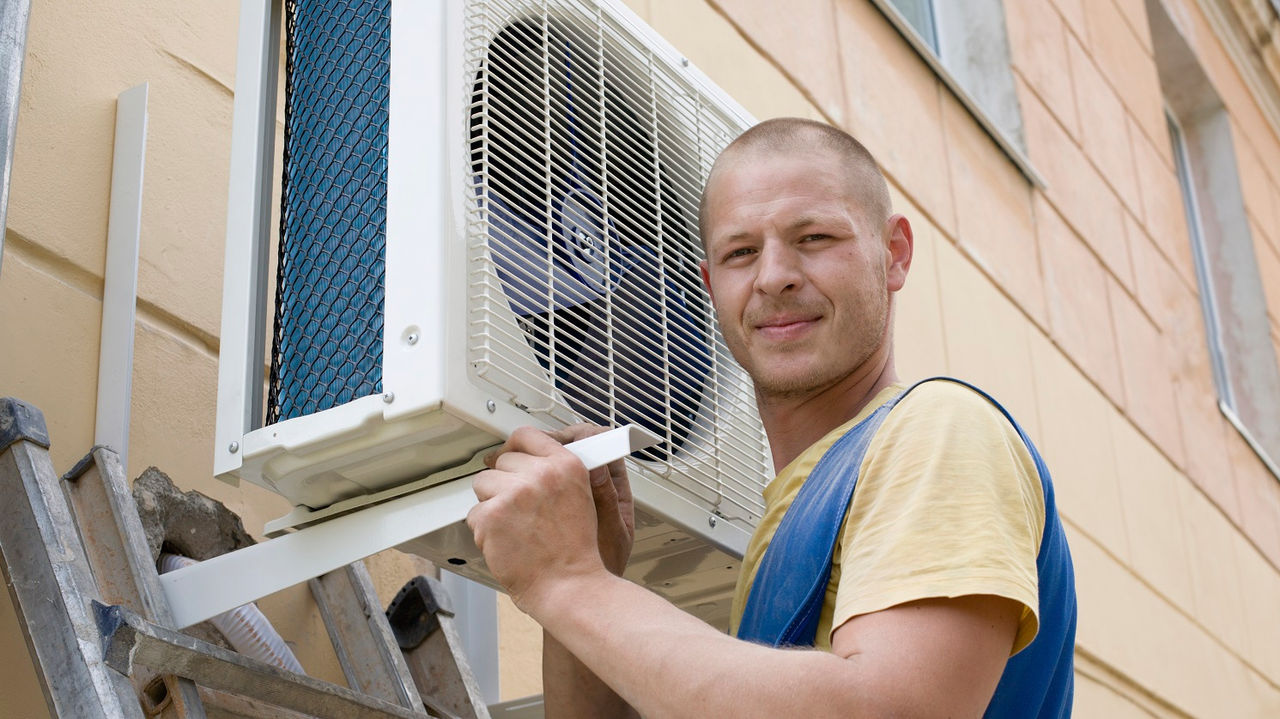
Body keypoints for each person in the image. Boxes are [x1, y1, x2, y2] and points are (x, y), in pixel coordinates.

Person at [466, 117, 1076, 718]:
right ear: (709, 284)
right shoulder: (789, 522)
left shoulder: (939, 428)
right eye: (741, 252)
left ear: (894, 254)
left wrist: (570, 583)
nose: (774, 276)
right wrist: (583, 578)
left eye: (814, 239)